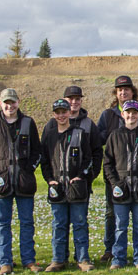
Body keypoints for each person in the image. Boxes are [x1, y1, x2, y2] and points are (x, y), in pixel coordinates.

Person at [97, 75, 138, 262]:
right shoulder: (108, 115)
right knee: (116, 218)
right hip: (117, 179)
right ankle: (114, 253)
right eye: (119, 90)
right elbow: (100, 141)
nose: (123, 92)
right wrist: (116, 138)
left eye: (126, 89)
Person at [0, 88, 42, 275]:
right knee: (3, 223)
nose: (10, 106)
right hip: (2, 183)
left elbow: (37, 151)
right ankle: (5, 262)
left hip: (24, 182)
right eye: (6, 103)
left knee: (26, 222)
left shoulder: (28, 123)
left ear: (18, 102)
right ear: (1, 104)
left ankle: (29, 260)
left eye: (13, 102)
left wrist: (29, 169)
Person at [42, 86, 103, 264]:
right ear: (54, 114)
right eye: (58, 112)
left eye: (64, 112)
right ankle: (58, 259)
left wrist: (84, 177)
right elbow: (44, 159)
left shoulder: (82, 132)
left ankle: (83, 258)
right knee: (59, 224)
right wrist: (49, 179)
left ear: (69, 112)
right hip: (57, 185)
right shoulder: (49, 133)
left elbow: (91, 157)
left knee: (79, 223)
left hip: (78, 186)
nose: (61, 115)